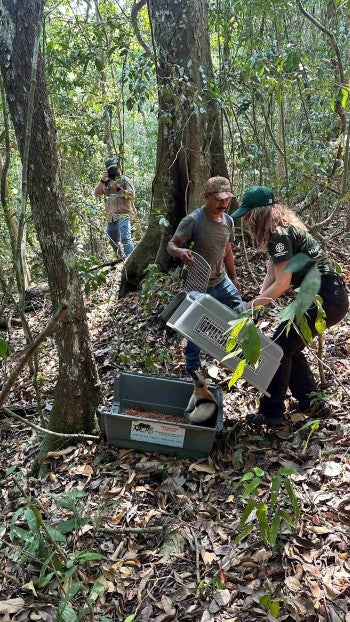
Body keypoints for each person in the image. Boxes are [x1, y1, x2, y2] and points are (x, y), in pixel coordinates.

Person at [231, 185, 349, 428]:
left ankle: (271, 413)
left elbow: (283, 284)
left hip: (323, 296)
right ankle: (311, 400)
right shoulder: (286, 230)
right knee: (288, 346)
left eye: (248, 215)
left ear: (259, 213)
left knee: (277, 349)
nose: (247, 221)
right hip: (329, 295)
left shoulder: (279, 236)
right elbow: (273, 274)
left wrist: (251, 304)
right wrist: (257, 304)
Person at [167, 176, 243, 372]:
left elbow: (227, 250)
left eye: (227, 199)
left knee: (241, 313)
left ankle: (236, 358)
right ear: (207, 197)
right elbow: (171, 245)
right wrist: (180, 252)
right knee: (196, 329)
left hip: (221, 280)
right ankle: (192, 369)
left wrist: (233, 278)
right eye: (219, 199)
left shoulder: (228, 221)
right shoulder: (194, 220)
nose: (224, 204)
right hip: (197, 283)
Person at [94, 156, 137, 257]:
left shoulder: (125, 180)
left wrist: (118, 188)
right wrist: (102, 180)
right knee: (112, 238)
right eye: (110, 170)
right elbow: (96, 193)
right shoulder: (105, 182)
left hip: (124, 213)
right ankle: (120, 258)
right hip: (111, 216)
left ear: (118, 168)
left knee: (125, 237)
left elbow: (132, 196)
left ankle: (130, 258)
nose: (113, 171)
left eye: (115, 169)